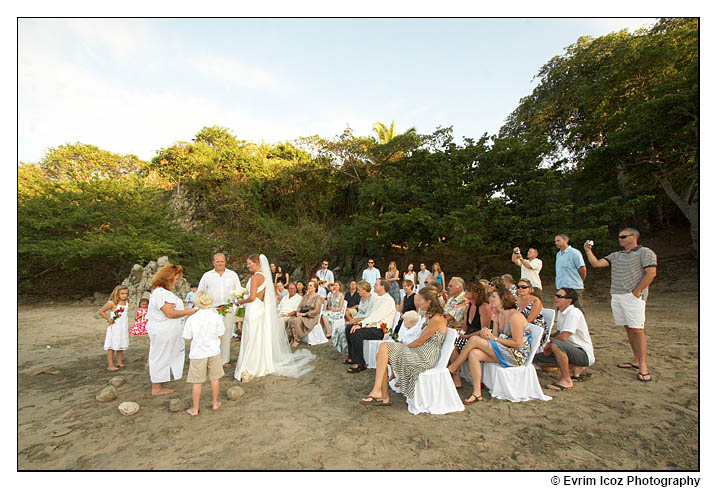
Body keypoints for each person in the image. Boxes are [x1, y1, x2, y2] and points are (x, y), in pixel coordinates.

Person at [584, 228, 657, 382]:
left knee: (637, 329)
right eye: (619, 237)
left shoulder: (645, 252)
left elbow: (651, 273)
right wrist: (588, 251)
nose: (620, 239)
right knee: (628, 328)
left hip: (632, 296)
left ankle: (643, 365)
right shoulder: (616, 255)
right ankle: (636, 360)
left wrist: (637, 291)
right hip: (617, 295)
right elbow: (596, 264)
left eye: (624, 237)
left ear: (634, 237)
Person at [360, 286, 448, 406]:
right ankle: (382, 395)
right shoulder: (429, 316)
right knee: (381, 355)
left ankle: (378, 392)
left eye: (420, 300)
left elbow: (419, 342)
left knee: (384, 348)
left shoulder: (437, 319)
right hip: (419, 351)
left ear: (429, 302)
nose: (417, 302)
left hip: (426, 356)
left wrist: (401, 349)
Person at [234, 254, 315, 382]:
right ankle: (259, 362)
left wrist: (240, 301)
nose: (248, 266)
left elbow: (252, 297)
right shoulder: (265, 277)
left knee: (252, 336)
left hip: (253, 308)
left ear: (257, 263)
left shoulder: (256, 277)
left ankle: (251, 365)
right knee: (257, 336)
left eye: (250, 263)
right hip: (259, 308)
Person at [448, 287, 532, 404]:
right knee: (474, 353)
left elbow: (518, 344)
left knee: (474, 340)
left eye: (494, 297)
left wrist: (494, 338)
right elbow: (495, 336)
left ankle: (454, 367)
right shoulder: (498, 315)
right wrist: (487, 334)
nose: (491, 299)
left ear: (503, 299)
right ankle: (477, 393)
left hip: (516, 355)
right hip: (503, 350)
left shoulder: (515, 317)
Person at [147, 263, 197, 395]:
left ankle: (159, 382)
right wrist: (189, 311)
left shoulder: (158, 292)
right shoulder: (162, 293)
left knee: (163, 355)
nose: (177, 281)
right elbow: (169, 313)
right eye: (176, 278)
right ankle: (156, 387)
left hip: (165, 330)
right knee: (161, 356)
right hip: (164, 331)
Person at [534, 288, 595, 391]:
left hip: (582, 353)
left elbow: (563, 337)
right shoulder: (562, 312)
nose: (555, 298)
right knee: (538, 360)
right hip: (569, 349)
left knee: (555, 345)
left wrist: (550, 343)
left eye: (560, 297)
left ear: (569, 300)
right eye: (556, 295)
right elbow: (559, 332)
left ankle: (566, 380)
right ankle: (576, 367)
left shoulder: (573, 313)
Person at [182, 291, 225, 416]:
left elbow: (187, 338)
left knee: (197, 382)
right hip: (213, 351)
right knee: (214, 378)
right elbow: (220, 334)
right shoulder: (216, 316)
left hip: (198, 352)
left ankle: (195, 408)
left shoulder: (192, 318)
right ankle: (215, 402)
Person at [197, 253, 242, 367]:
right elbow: (200, 292)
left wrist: (240, 302)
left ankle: (224, 359)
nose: (220, 263)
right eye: (217, 261)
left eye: (222, 261)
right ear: (213, 262)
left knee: (226, 333)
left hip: (228, 307)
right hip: (212, 308)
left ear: (225, 262)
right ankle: (212, 359)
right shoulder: (207, 275)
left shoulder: (232, 275)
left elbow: (239, 290)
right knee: (212, 334)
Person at [345, 279, 396, 373]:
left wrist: (361, 324)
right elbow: (370, 314)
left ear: (382, 287)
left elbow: (377, 316)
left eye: (376, 284)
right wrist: (358, 322)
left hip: (382, 330)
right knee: (349, 328)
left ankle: (360, 363)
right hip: (373, 325)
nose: (374, 286)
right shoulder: (378, 298)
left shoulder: (388, 300)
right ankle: (352, 357)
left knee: (357, 332)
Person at [449, 281, 491, 388]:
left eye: (469, 290)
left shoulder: (484, 307)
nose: (466, 292)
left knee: (457, 345)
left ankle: (453, 369)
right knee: (451, 345)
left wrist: (467, 336)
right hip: (468, 334)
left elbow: (484, 329)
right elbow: (466, 327)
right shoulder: (468, 306)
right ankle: (456, 379)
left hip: (479, 336)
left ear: (476, 293)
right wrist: (460, 333)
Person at [334, 280, 374, 360]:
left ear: (364, 290)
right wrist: (352, 320)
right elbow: (359, 312)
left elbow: (370, 315)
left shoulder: (372, 300)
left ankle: (352, 354)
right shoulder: (362, 299)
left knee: (347, 329)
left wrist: (356, 321)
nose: (358, 291)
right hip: (358, 318)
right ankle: (349, 352)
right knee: (341, 329)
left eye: (359, 290)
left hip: (366, 321)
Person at [98, 285, 130, 371]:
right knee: (112, 345)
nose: (124, 295)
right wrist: (109, 319)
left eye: (126, 293)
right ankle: (110, 364)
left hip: (123, 327)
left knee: (121, 345)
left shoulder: (126, 303)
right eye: (122, 293)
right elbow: (101, 311)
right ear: (117, 294)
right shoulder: (113, 303)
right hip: (115, 327)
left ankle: (119, 362)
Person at [285, 279, 323, 348]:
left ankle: (297, 339)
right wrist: (298, 313)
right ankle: (292, 338)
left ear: (315, 287)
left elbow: (316, 311)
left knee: (295, 320)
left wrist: (305, 314)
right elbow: (299, 306)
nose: (309, 287)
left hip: (311, 317)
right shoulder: (306, 296)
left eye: (311, 285)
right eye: (308, 285)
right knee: (290, 320)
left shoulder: (317, 297)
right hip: (302, 315)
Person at [516, 278, 549, 345]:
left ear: (530, 289)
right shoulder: (515, 300)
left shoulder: (535, 301)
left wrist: (514, 329)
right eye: (518, 287)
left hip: (535, 329)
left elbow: (529, 320)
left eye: (524, 287)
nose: (520, 289)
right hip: (519, 327)